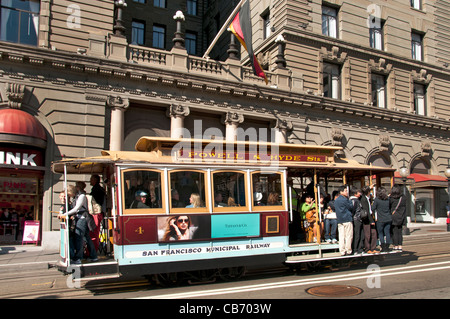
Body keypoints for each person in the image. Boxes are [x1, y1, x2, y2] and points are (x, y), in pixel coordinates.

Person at [58, 184, 98, 264]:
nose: (69, 196)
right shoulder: (76, 197)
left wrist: (65, 214)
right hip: (79, 218)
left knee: (79, 237)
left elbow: (77, 208)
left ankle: (78, 257)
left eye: (69, 194)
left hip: (82, 218)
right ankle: (93, 256)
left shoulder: (81, 196)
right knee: (86, 238)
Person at [335, 185, 353, 256]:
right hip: (347, 219)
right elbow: (350, 207)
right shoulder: (345, 199)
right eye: (345, 191)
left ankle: (342, 251)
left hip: (340, 219)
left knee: (341, 236)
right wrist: (350, 201)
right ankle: (348, 250)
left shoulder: (336, 200)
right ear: (341, 192)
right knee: (348, 235)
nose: (347, 192)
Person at [372, 187, 392, 252]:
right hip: (388, 218)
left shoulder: (377, 200)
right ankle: (387, 246)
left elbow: (373, 208)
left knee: (381, 233)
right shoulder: (388, 199)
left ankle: (383, 246)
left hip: (380, 219)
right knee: (387, 232)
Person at [89, 174, 105, 252]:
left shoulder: (96, 189)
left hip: (96, 212)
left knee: (94, 231)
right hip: (97, 212)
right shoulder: (98, 189)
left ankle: (93, 250)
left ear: (95, 180)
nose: (90, 181)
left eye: (91, 179)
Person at [361, 185, 377, 254]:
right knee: (367, 234)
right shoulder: (363, 199)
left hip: (370, 217)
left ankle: (373, 248)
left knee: (373, 233)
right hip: (367, 219)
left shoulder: (368, 198)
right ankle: (367, 248)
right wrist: (371, 221)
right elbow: (367, 211)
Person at [390, 184, 406, 251]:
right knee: (400, 231)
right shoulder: (403, 197)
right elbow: (405, 208)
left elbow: (389, 207)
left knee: (394, 231)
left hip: (393, 216)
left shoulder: (391, 198)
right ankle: (400, 245)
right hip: (401, 216)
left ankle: (395, 245)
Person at [350, 187, 364, 255]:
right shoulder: (354, 200)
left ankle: (359, 248)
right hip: (356, 219)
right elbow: (353, 210)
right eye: (359, 192)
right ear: (355, 193)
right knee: (357, 234)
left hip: (358, 219)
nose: (360, 194)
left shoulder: (356, 200)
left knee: (359, 234)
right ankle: (356, 249)